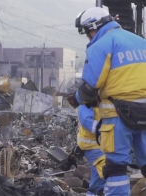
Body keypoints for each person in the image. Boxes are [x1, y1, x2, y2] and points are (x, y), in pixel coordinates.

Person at [68, 7, 146, 195]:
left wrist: (75, 99)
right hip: (144, 112)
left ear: (93, 27)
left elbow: (90, 87)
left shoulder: (101, 45)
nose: (88, 37)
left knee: (115, 167)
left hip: (117, 115)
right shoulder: (141, 42)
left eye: (87, 32)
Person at [76, 104, 105, 196]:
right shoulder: (86, 102)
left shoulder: (104, 99)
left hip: (101, 145)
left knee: (98, 175)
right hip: (92, 145)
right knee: (107, 170)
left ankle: (94, 192)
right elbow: (87, 122)